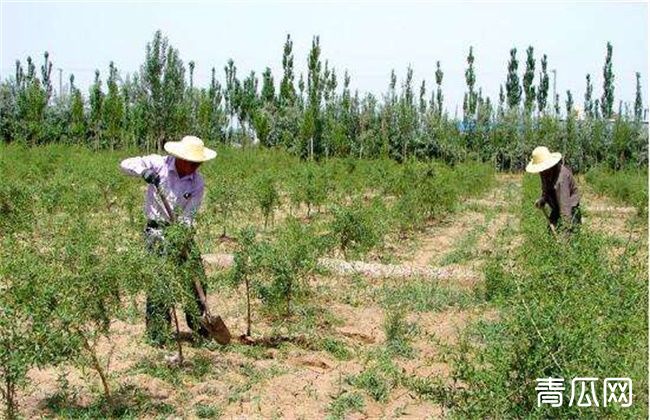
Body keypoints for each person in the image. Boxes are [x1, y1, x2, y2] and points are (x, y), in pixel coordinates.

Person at [120, 135, 217, 345]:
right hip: (156, 232)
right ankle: (157, 333)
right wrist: (144, 172)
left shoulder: (198, 182)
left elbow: (189, 215)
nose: (195, 167)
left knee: (196, 275)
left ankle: (200, 327)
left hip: (180, 231)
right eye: (192, 163)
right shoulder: (158, 164)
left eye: (198, 164)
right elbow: (125, 164)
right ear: (180, 157)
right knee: (160, 281)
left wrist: (182, 236)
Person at [525, 146, 581, 232]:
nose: (541, 171)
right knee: (550, 233)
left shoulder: (561, 178)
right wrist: (543, 199)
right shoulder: (544, 172)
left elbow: (565, 209)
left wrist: (565, 236)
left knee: (572, 236)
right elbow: (545, 189)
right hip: (557, 206)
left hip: (570, 208)